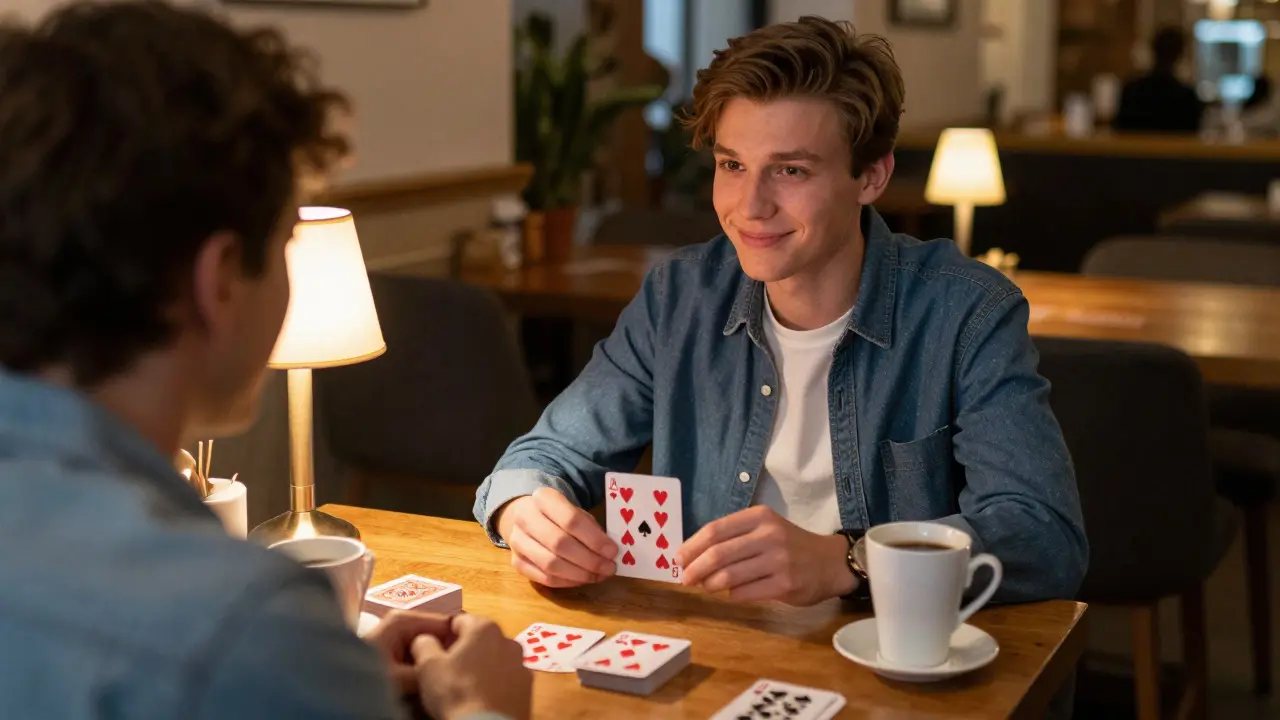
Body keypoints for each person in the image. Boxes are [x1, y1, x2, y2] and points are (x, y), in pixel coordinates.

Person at [0, 3, 530, 719]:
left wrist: (329, 675)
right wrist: (480, 709)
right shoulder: (246, 621)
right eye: (285, 244)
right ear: (219, 280)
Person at [474, 16, 1088, 608]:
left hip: (890, 660)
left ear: (872, 176)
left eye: (790, 170)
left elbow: (1043, 536)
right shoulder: (678, 296)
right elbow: (543, 457)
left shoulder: (968, 311)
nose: (749, 206)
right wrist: (523, 510)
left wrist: (849, 561)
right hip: (718, 649)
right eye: (732, 165)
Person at [1113, 26, 1205, 133]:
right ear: (1179, 55)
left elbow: (1119, 131)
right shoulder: (1187, 97)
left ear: (1153, 49)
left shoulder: (1132, 90)